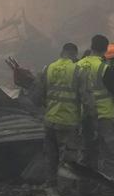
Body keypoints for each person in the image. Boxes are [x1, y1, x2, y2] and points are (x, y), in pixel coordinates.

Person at [13, 41, 81, 175]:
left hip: (50, 121)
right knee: (69, 157)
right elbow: (86, 98)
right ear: (74, 55)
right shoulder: (78, 70)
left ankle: (51, 184)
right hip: (68, 121)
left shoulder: (48, 68)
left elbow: (37, 97)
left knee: (51, 155)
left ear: (61, 53)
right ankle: (65, 187)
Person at [76, 35, 114, 170]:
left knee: (87, 151)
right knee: (111, 152)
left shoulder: (78, 65)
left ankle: (86, 185)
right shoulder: (103, 68)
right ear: (106, 49)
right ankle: (109, 185)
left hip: (84, 115)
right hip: (104, 115)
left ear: (91, 46)